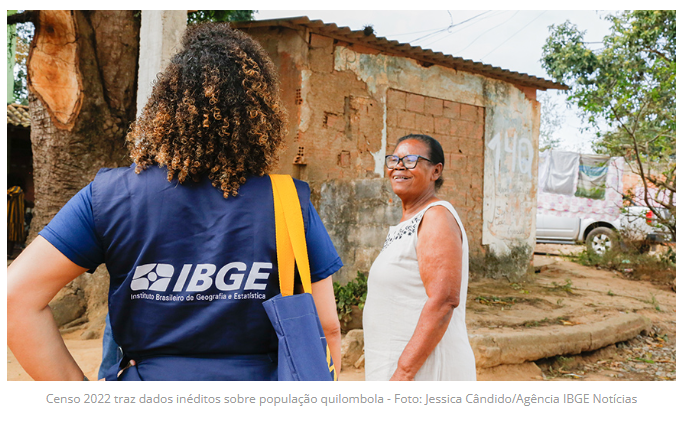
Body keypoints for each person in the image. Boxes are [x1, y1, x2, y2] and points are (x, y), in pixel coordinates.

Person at [7, 22, 342, 381]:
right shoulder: (289, 202)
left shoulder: (111, 196)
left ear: (165, 106)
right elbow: (327, 327)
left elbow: (14, 299)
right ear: (261, 116)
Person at [363, 134, 477, 381]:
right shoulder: (409, 222)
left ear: (435, 171)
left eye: (411, 160)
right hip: (397, 366)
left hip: (422, 371)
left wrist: (404, 373)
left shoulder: (436, 217)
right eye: (394, 160)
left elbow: (444, 300)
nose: (399, 166)